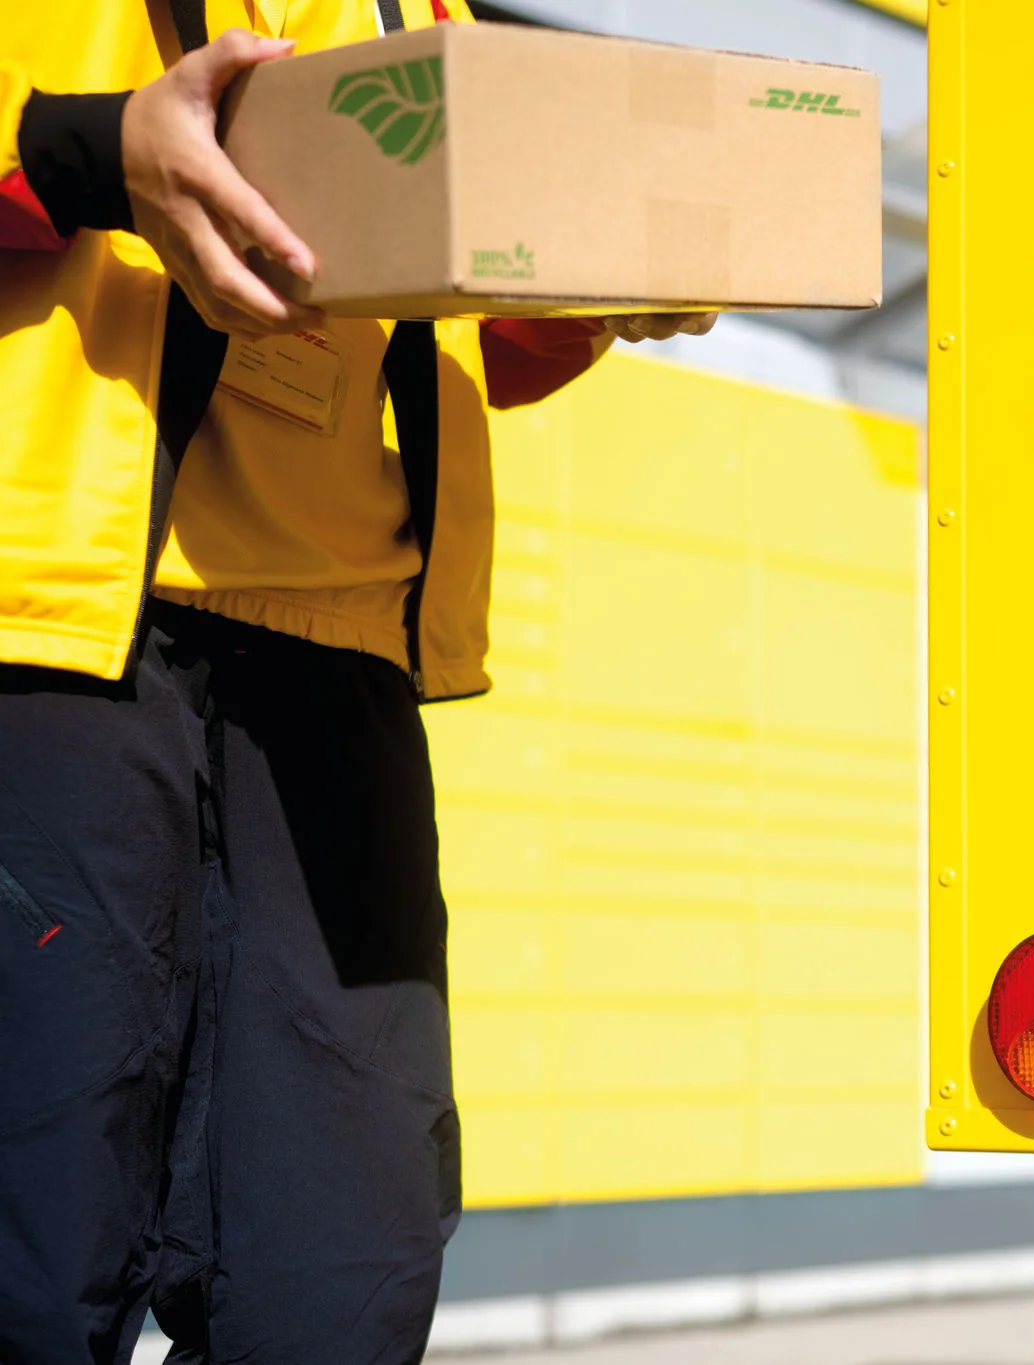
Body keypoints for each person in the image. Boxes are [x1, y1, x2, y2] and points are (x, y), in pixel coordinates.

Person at [0, 3, 712, 1360]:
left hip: (337, 650)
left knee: (342, 1274)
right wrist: (90, 148)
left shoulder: (425, 13)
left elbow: (452, 315)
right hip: (44, 618)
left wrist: (590, 291)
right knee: (34, 1246)